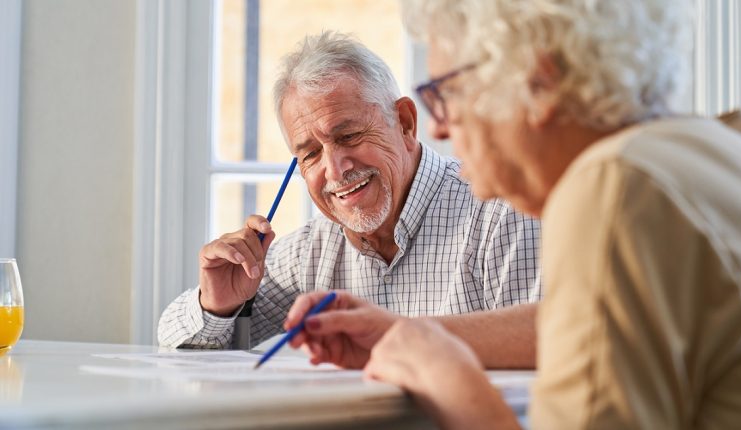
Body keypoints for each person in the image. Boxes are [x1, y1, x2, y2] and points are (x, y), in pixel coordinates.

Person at [286, 1, 741, 428]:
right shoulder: (715, 148)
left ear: (539, 82)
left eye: (446, 92)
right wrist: (406, 333)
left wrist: (448, 382)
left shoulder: (612, 186)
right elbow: (590, 330)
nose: (438, 126)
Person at [157, 31, 541, 368]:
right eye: (310, 154)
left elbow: (551, 352)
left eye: (349, 136)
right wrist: (217, 305)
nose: (336, 170)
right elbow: (173, 341)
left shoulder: (502, 215)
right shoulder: (313, 249)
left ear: (405, 123)